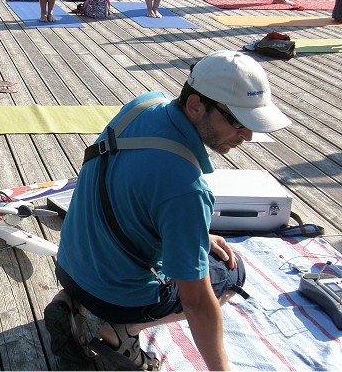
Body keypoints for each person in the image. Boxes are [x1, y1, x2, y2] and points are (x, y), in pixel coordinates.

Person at [45, 50, 291, 371]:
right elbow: (198, 303)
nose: (248, 135)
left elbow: (135, 192)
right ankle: (122, 331)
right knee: (232, 273)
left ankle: (74, 302)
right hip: (116, 299)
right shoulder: (187, 189)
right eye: (237, 121)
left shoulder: (142, 106)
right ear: (195, 106)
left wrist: (196, 234)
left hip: (68, 267)